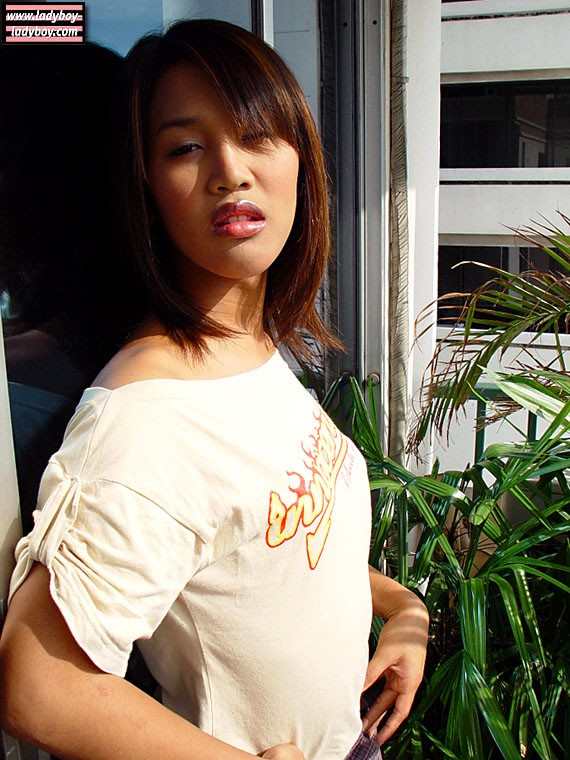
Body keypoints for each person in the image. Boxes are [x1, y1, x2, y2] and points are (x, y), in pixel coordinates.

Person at [0, 19, 429, 760]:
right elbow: (39, 685)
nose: (231, 170)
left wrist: (401, 606)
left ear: (302, 158)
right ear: (146, 187)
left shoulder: (249, 350)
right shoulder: (149, 414)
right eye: (185, 148)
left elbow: (252, 541)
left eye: (257, 133)